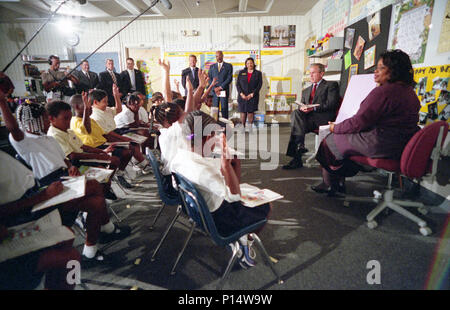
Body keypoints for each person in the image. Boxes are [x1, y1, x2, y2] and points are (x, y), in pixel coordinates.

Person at [312, 49, 421, 196]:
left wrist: (335, 127)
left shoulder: (383, 92)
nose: (375, 71)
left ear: (394, 71)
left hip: (381, 143)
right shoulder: (410, 92)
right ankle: (338, 181)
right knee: (342, 139)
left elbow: (358, 122)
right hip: (401, 144)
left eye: (381, 68)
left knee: (330, 140)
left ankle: (330, 183)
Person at [170, 111, 271, 268]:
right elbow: (235, 197)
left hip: (197, 214)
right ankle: (244, 244)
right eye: (212, 136)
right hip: (219, 221)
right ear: (205, 138)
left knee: (237, 178)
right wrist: (225, 165)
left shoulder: (179, 158)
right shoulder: (203, 171)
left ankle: (242, 240)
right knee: (267, 205)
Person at [0, 151, 81, 289]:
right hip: (19, 213)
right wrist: (43, 196)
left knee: (67, 236)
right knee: (72, 259)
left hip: (25, 205)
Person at [45, 100, 134, 190]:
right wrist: (99, 156)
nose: (69, 121)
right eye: (65, 118)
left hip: (84, 156)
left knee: (113, 162)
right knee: (108, 166)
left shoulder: (68, 131)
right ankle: (104, 187)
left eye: (69, 118)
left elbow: (82, 146)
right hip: (75, 163)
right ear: (52, 119)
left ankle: (105, 186)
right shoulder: (54, 135)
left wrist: (102, 152)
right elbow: (73, 156)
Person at [70, 93, 151, 175]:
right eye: (87, 106)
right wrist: (103, 150)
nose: (90, 108)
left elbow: (104, 133)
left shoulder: (91, 119)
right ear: (77, 107)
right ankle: (114, 175)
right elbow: (86, 129)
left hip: (104, 143)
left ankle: (120, 172)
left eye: (89, 106)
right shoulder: (76, 121)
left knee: (130, 148)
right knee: (120, 155)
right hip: (95, 147)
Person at [282, 63, 340, 170]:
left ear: (321, 73)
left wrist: (313, 108)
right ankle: (300, 147)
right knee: (296, 113)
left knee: (296, 125)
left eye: (313, 73)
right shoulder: (306, 90)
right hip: (308, 118)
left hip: (322, 118)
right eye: (310, 73)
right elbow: (303, 105)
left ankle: (297, 158)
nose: (311, 76)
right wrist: (302, 108)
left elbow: (332, 104)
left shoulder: (331, 85)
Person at [236, 57, 262, 131]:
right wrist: (241, 94)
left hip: (253, 96)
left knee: (250, 112)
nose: (249, 64)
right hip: (242, 96)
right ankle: (243, 128)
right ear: (246, 64)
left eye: (251, 63)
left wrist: (252, 94)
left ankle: (250, 128)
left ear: (253, 64)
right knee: (243, 112)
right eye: (248, 63)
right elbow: (238, 84)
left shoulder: (258, 73)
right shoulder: (241, 72)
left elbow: (259, 85)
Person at [208, 51, 233, 119]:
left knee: (224, 109)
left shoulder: (228, 66)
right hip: (214, 92)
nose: (218, 57)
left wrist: (220, 87)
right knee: (214, 110)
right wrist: (214, 89)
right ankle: (215, 126)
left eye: (219, 56)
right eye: (216, 56)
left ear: (222, 56)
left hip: (223, 91)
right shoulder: (212, 67)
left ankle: (225, 126)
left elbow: (229, 78)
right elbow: (209, 79)